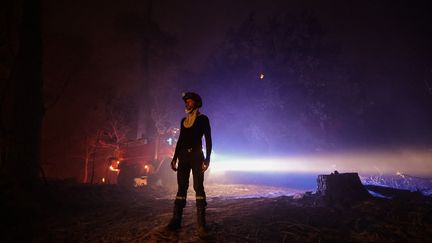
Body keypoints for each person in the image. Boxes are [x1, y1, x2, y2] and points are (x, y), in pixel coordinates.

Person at [167, 92, 212, 236]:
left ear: (196, 103)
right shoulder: (183, 121)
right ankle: (176, 220)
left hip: (197, 156)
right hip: (183, 157)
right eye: (186, 102)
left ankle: (201, 225)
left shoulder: (203, 119)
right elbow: (180, 140)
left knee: (198, 187)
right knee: (181, 187)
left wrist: (207, 159)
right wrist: (174, 158)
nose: (187, 104)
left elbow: (208, 140)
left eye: (190, 102)